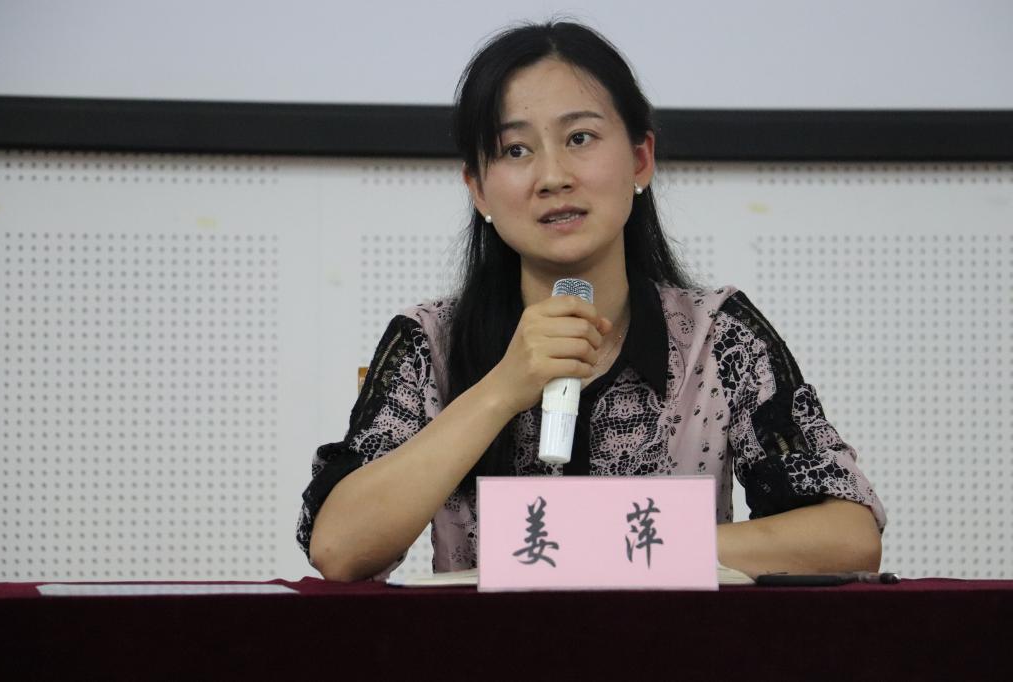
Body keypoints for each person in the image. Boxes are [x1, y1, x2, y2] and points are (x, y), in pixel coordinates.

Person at [297, 21, 886, 582]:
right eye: (515, 150)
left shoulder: (717, 335)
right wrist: (503, 387)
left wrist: (608, 543)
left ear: (640, 159)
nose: (553, 176)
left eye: (579, 138)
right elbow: (340, 551)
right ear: (478, 188)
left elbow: (846, 536)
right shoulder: (430, 343)